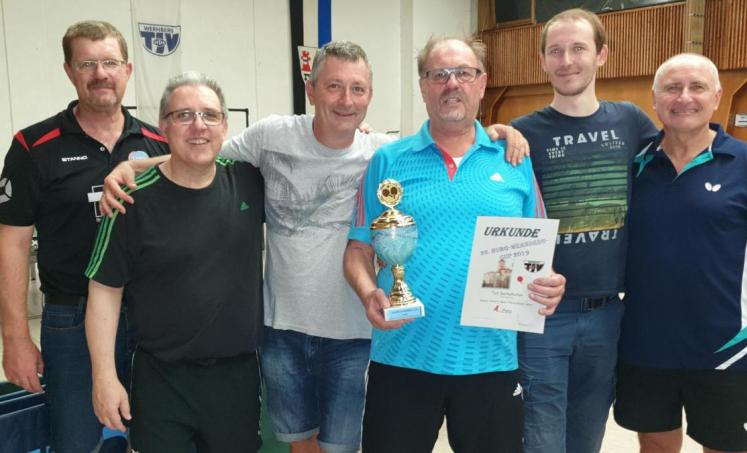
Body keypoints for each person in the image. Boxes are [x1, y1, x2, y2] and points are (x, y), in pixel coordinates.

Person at [99, 40, 529, 453]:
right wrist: (132, 165)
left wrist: (495, 132)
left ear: (369, 96)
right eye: (333, 86)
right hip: (283, 327)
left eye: (357, 88)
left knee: (342, 445)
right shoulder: (271, 137)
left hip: (354, 332)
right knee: (298, 441)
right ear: (311, 89)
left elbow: (453, 137)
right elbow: (199, 151)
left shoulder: (383, 152)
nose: (345, 99)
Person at [343, 35, 566, 453]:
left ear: (482, 83)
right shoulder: (388, 161)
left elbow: (538, 251)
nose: (451, 84)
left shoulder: (514, 158)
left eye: (463, 73)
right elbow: (358, 249)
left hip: (491, 360)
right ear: (423, 86)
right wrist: (368, 291)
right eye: (438, 74)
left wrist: (548, 282)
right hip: (403, 355)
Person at [615, 53, 747, 453]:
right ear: (654, 99)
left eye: (697, 87)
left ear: (717, 96)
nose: (684, 97)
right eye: (672, 87)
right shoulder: (634, 166)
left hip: (726, 351)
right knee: (655, 446)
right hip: (645, 346)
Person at [0, 20, 169, 452]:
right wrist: (16, 337)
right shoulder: (33, 146)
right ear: (69, 71)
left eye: (110, 62)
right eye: (88, 63)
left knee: (156, 436)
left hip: (152, 319)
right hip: (70, 321)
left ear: (128, 70)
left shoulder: (156, 143)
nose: (100, 74)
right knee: (78, 441)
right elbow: (12, 243)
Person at [85, 71, 265, 452]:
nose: (198, 125)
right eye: (183, 116)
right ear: (163, 127)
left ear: (225, 126)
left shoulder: (249, 181)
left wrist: (356, 132)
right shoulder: (129, 203)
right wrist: (104, 376)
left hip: (237, 378)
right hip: (161, 381)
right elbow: (103, 290)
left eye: (209, 115)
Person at [510, 9, 657, 453]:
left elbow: (678, 163)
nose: (567, 60)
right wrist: (494, 131)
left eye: (578, 49)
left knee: (587, 437)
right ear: (542, 61)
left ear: (602, 55)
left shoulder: (632, 123)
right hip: (541, 314)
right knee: (541, 437)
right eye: (556, 51)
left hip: (608, 314)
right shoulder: (522, 133)